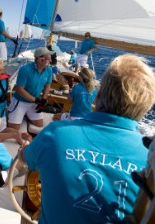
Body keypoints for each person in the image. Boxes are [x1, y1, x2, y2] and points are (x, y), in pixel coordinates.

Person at [18, 54, 155, 224]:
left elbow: (27, 158)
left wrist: (25, 146)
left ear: (98, 97)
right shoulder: (149, 160)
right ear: (145, 108)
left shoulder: (55, 134)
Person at [0, 57, 31, 144]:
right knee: (3, 129)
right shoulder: (5, 79)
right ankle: (18, 133)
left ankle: (14, 135)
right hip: (2, 112)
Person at [8, 47, 53, 129]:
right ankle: (14, 113)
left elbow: (47, 85)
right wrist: (35, 100)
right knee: (13, 128)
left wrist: (43, 100)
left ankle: (24, 116)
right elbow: (19, 89)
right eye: (47, 58)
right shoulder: (25, 70)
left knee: (39, 124)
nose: (49, 60)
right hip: (20, 101)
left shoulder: (49, 70)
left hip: (35, 102)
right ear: (39, 59)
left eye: (49, 58)